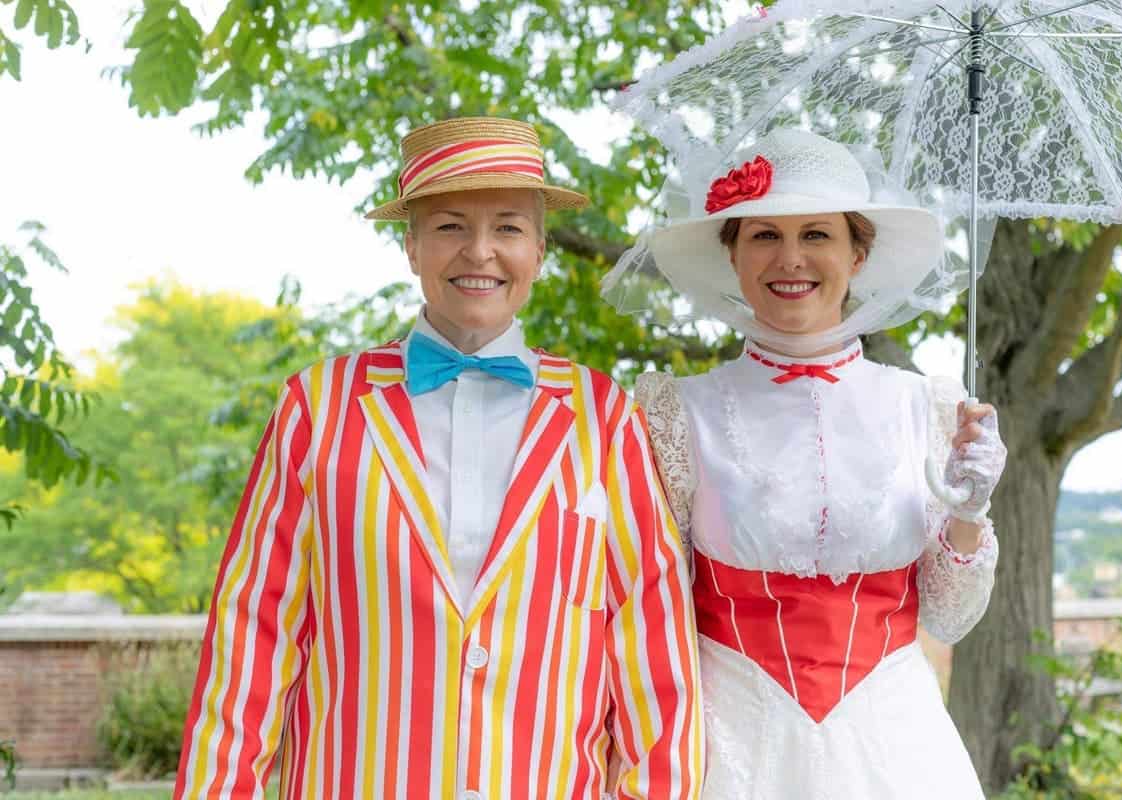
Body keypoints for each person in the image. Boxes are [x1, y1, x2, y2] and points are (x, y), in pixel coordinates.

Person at [173, 116, 702, 800]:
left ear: (540, 249)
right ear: (411, 245)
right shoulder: (319, 408)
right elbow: (252, 638)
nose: (479, 251)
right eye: (451, 225)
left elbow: (652, 647)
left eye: (508, 227)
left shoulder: (604, 418)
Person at [621, 128, 1007, 798]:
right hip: (727, 744)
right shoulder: (673, 415)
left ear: (858, 253)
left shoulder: (930, 406)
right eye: (764, 234)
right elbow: (644, 605)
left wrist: (969, 513)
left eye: (818, 235)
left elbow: (949, 618)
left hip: (896, 746)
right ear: (733, 255)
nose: (790, 258)